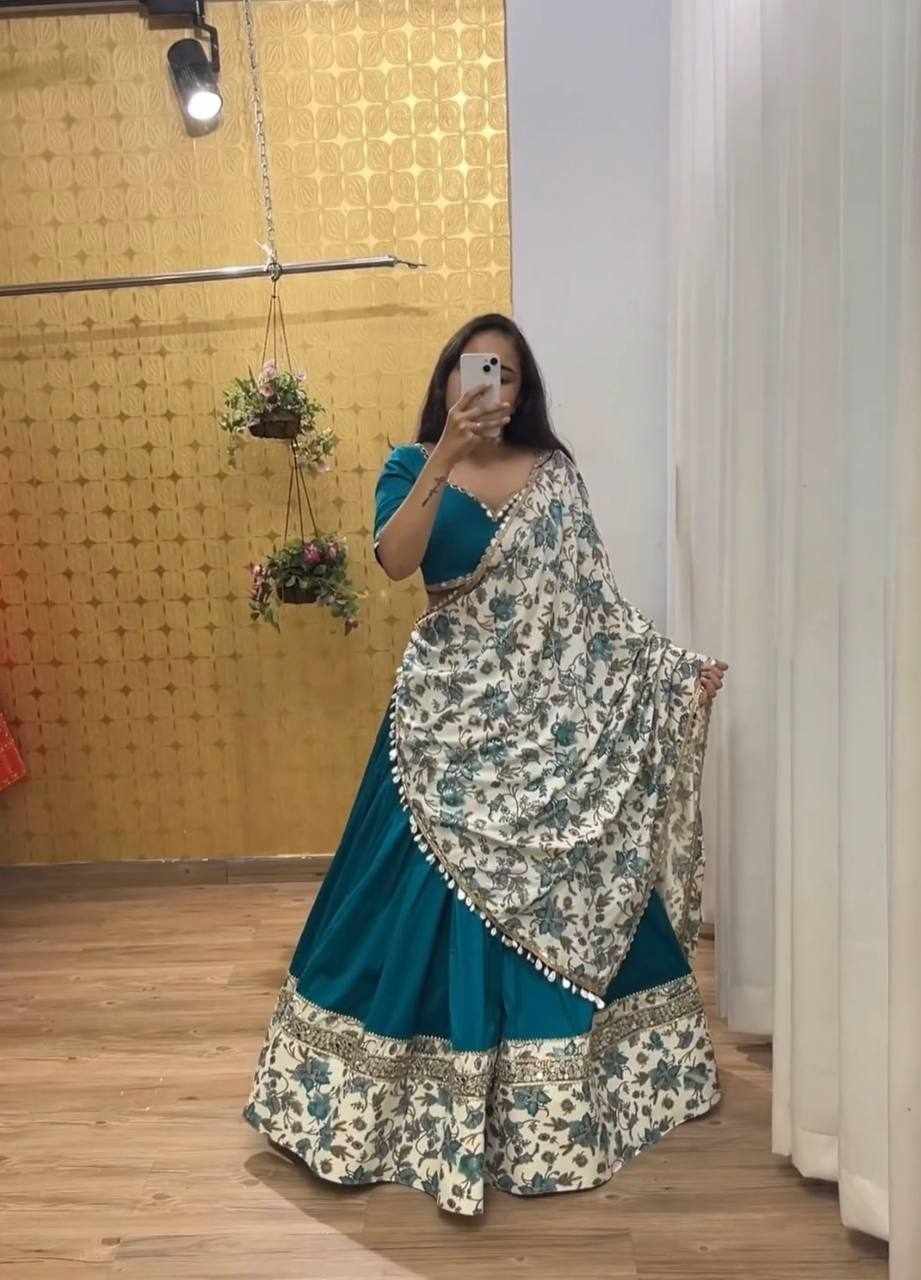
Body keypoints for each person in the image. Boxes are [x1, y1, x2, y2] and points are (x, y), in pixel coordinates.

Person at [243, 312, 730, 1217]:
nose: (490, 385)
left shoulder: (555, 474)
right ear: (447, 379)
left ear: (524, 388)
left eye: (506, 372)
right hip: (444, 726)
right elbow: (396, 563)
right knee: (400, 909)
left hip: (546, 730)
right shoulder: (408, 466)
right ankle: (388, 1105)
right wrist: (444, 455)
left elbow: (592, 608)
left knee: (577, 886)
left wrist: (670, 672)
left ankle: (579, 1094)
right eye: (476, 368)